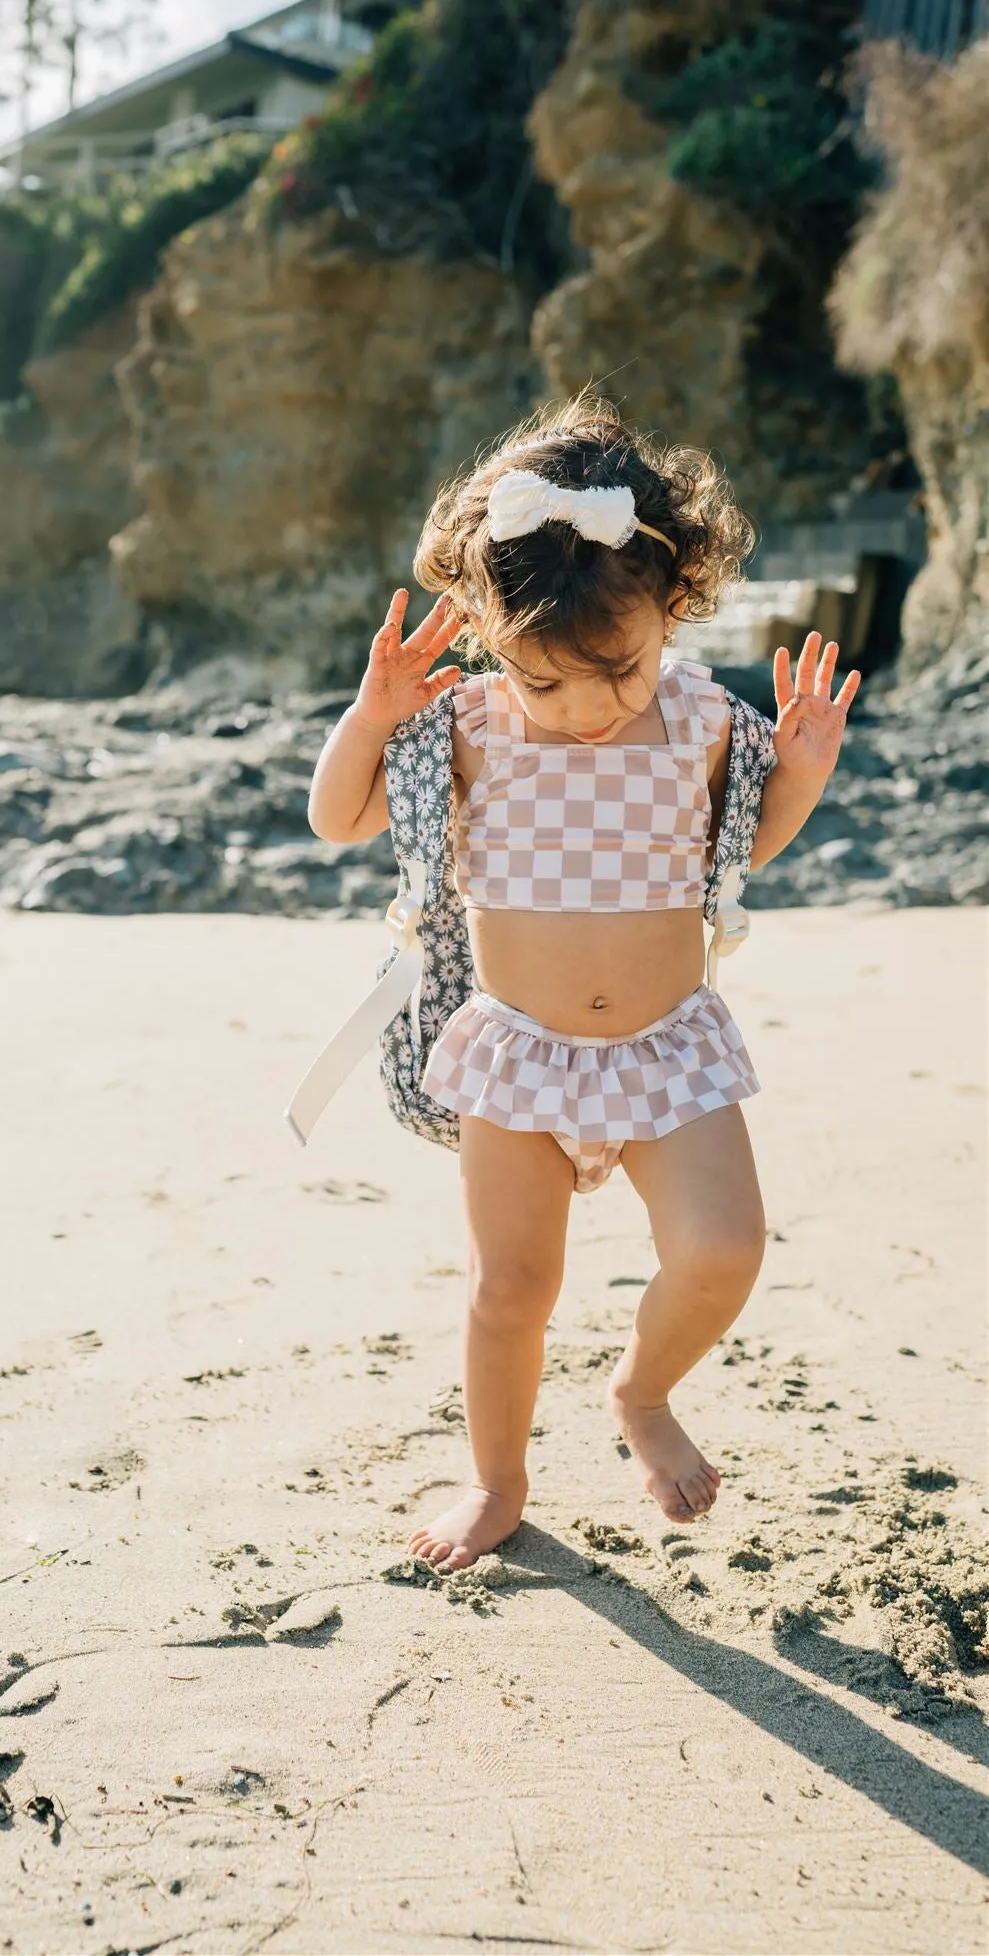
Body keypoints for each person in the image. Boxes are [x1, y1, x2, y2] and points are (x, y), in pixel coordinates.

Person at [307, 396, 860, 1569]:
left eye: (616, 671)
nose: (586, 711)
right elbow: (340, 815)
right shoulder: (466, 725)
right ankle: (497, 1481)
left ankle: (643, 1391)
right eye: (543, 684)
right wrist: (370, 717)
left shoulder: (702, 717)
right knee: (512, 1287)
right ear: (488, 637)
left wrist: (800, 770)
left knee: (724, 1249)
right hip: (516, 1050)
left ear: (674, 603)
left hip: (668, 1044)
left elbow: (737, 848)